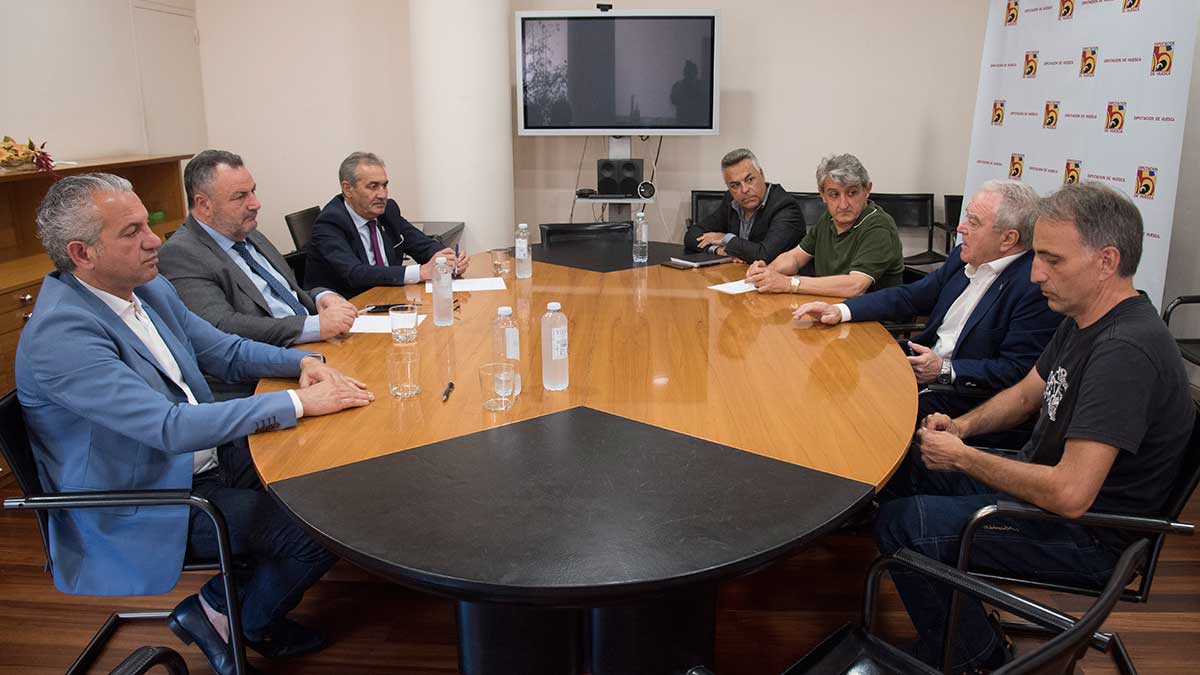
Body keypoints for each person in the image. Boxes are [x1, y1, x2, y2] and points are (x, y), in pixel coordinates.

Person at [16, 173, 375, 675]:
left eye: (147, 224)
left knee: (330, 479)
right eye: (131, 232)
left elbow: (222, 349)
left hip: (201, 461)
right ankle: (231, 616)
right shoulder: (62, 334)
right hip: (142, 498)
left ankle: (223, 607)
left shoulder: (148, 286)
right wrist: (298, 402)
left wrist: (300, 364)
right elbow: (168, 428)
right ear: (82, 253)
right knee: (317, 529)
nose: (151, 240)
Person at [873, 182, 1194, 673]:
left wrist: (965, 458)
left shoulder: (1124, 352)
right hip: (1040, 487)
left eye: (1053, 260)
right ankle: (954, 609)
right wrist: (960, 428)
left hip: (1087, 536)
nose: (1036, 272)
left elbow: (1070, 494)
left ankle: (975, 658)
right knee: (911, 465)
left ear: (1107, 261)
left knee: (903, 524)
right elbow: (1027, 392)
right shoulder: (1085, 316)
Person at [794, 180, 1062, 422]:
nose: (961, 228)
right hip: (921, 362)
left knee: (864, 412)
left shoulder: (1032, 287)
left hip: (962, 395)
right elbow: (910, 296)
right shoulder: (963, 256)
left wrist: (946, 369)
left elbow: (1017, 372)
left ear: (1008, 239)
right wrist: (840, 310)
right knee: (836, 365)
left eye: (974, 222)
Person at [158, 150, 358, 398]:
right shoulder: (180, 254)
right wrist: (314, 325)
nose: (255, 203)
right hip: (262, 379)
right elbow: (222, 327)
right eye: (240, 196)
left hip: (316, 352)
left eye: (253, 191)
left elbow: (286, 294)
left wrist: (322, 297)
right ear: (203, 204)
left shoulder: (249, 234)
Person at [304, 151, 467, 298]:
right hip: (349, 308)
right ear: (348, 189)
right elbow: (355, 273)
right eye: (373, 186)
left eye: (384, 185)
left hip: (389, 298)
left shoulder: (387, 210)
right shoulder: (330, 222)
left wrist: (447, 259)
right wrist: (421, 272)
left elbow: (420, 243)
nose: (382, 194)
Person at [747, 153, 903, 296]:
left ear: (867, 190)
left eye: (852, 193)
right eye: (834, 194)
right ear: (822, 195)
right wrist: (767, 272)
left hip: (877, 321)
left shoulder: (878, 226)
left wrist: (789, 283)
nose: (843, 205)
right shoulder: (829, 219)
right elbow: (794, 257)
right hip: (832, 307)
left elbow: (856, 286)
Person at [684, 148, 805, 264]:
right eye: (735, 185)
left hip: (779, 281)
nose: (745, 190)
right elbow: (692, 234)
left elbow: (764, 255)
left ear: (762, 174)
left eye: (750, 179)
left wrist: (727, 238)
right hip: (735, 278)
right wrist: (717, 250)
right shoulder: (731, 200)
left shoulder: (785, 207)